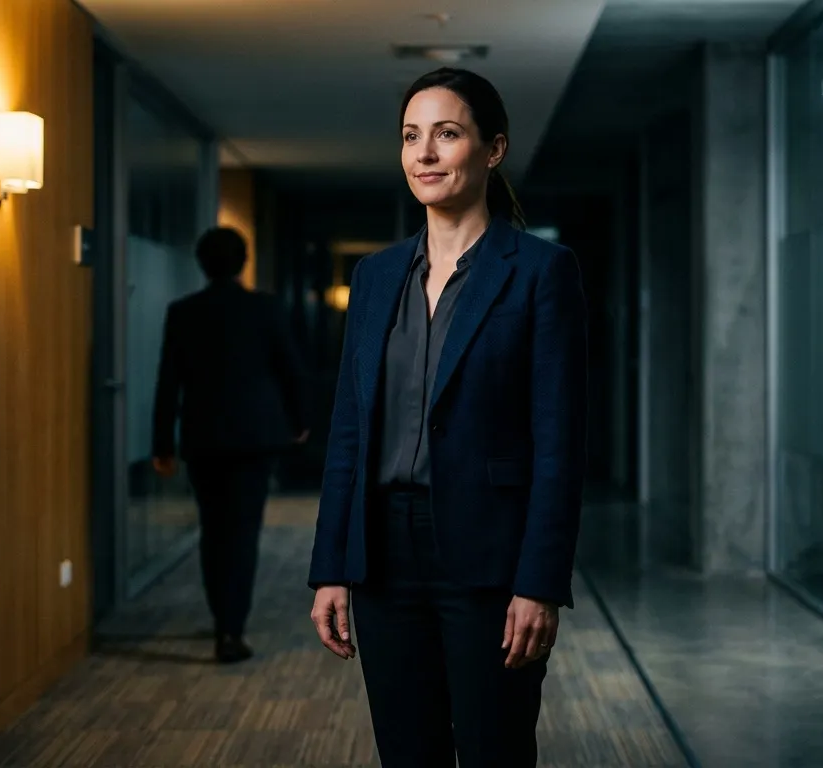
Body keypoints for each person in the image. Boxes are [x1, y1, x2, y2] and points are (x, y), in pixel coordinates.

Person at [306, 67, 589, 767]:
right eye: (410, 137)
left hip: (489, 554)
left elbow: (559, 440)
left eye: (446, 134)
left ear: (492, 150)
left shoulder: (540, 271)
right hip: (382, 554)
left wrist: (540, 582)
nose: (424, 153)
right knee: (408, 752)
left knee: (495, 748)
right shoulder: (375, 276)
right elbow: (350, 429)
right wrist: (332, 567)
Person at [153, 226, 310, 664]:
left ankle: (222, 616)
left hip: (203, 438)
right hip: (255, 438)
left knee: (213, 530)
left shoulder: (183, 312)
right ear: (242, 262)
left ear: (202, 264)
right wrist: (300, 422)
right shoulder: (265, 308)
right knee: (242, 532)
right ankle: (230, 629)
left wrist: (162, 443)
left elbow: (169, 382)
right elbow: (291, 369)